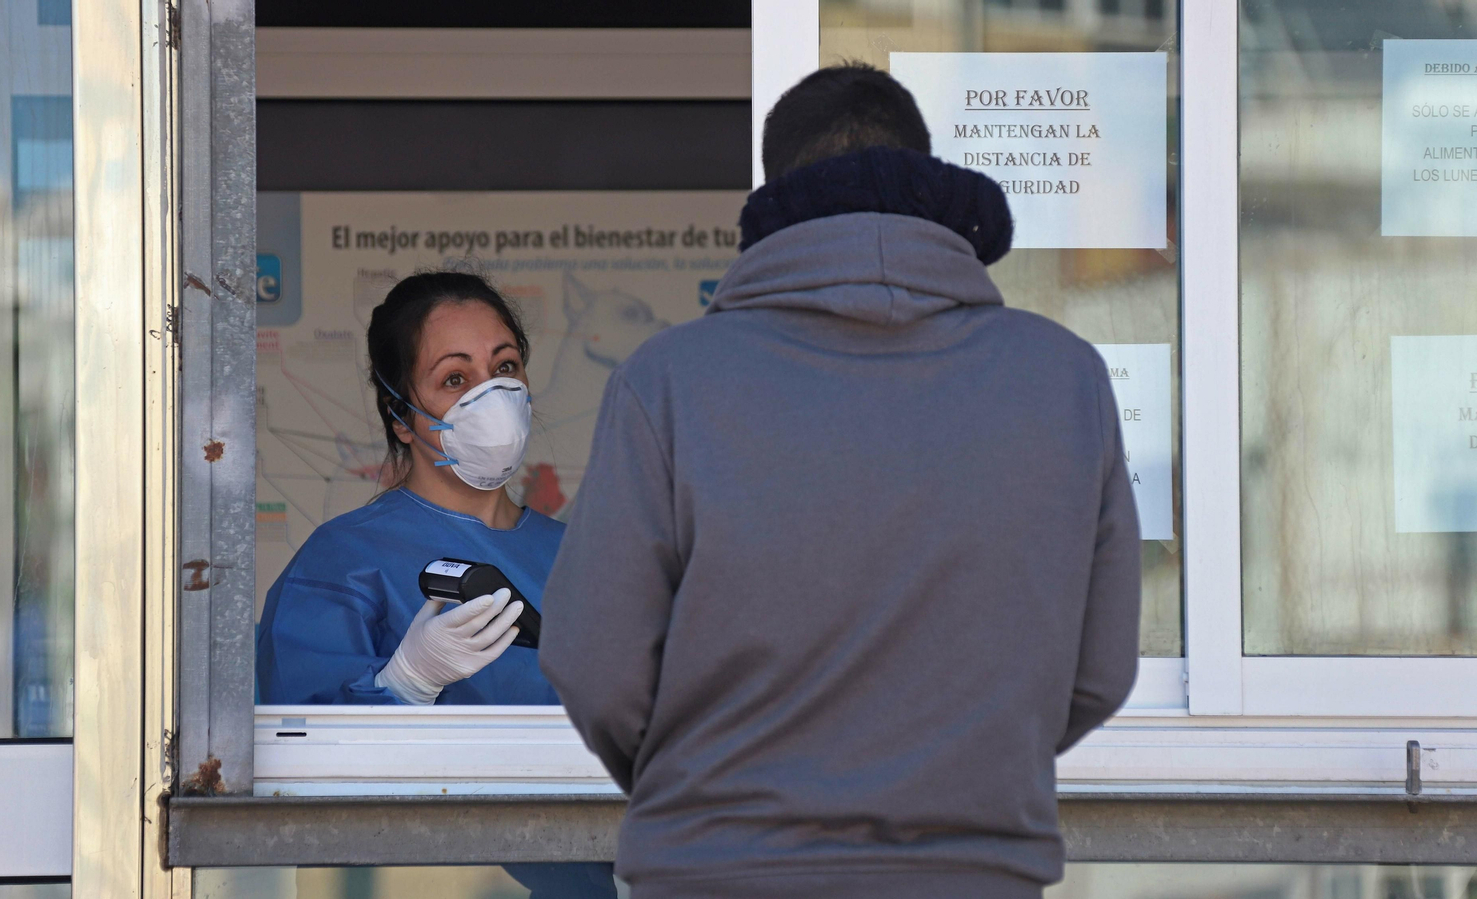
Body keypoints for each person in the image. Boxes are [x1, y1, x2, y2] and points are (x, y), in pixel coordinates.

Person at [540, 64, 1142, 899]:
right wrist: (960, 782)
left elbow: (592, 658)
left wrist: (704, 782)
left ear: (775, 190)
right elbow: (1101, 669)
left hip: (717, 875)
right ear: (923, 175)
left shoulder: (669, 381)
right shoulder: (1064, 379)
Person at [255, 270, 616, 898]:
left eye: (505, 367)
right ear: (401, 417)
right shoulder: (342, 562)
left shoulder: (584, 559)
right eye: (456, 378)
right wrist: (404, 684)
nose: (492, 395)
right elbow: (290, 765)